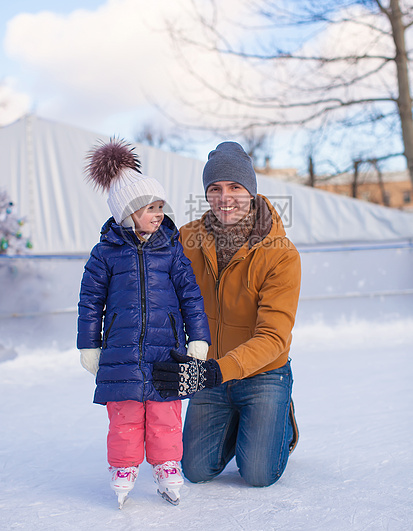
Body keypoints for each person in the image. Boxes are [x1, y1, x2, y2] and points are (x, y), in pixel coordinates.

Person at [153, 141, 301, 488]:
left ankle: (279, 414)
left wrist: (215, 372)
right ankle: (242, 421)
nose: (225, 197)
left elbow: (274, 337)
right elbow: (153, 284)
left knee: (258, 474)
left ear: (251, 190)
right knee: (195, 470)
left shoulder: (280, 254)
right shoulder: (185, 240)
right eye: (215, 188)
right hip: (211, 372)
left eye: (235, 187)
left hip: (263, 374)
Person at [77, 138, 211, 507]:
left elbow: (190, 296)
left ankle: (167, 464)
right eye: (148, 208)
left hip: (166, 349)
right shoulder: (104, 253)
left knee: (166, 411)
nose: (157, 213)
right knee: (125, 414)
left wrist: (198, 338)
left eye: (158, 206)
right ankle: (123, 467)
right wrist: (89, 345)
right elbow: (90, 302)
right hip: (120, 352)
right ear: (126, 213)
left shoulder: (171, 248)